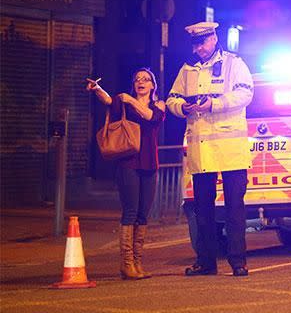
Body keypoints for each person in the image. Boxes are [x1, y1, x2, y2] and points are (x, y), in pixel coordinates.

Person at [167, 21, 253, 277]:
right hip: (201, 150)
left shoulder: (233, 64)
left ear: (214, 39)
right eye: (195, 43)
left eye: (202, 42)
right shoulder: (187, 69)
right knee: (202, 208)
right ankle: (206, 261)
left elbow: (245, 94)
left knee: (234, 209)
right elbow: (172, 98)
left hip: (230, 150)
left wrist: (213, 104)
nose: (198, 48)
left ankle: (238, 262)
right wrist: (182, 108)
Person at [86, 68, 166, 280]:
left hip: (150, 164)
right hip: (128, 164)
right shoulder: (124, 103)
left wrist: (131, 100)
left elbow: (150, 117)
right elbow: (109, 101)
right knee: (130, 212)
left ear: (152, 86)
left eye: (146, 79)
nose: (141, 82)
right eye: (137, 78)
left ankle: (138, 263)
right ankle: (127, 264)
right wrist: (97, 89)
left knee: (143, 214)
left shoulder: (158, 105)